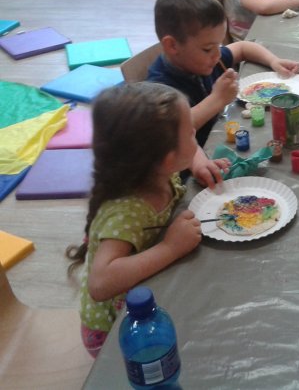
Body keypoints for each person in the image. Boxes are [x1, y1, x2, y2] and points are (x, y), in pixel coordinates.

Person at [66, 82, 208, 357]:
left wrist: (198, 162)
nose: (195, 134)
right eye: (191, 133)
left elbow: (186, 152)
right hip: (116, 335)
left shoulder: (154, 172)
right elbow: (100, 283)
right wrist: (170, 248)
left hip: (148, 294)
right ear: (168, 160)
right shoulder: (127, 211)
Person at [147, 0, 299, 177]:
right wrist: (217, 99)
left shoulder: (204, 59)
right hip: (188, 164)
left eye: (218, 46)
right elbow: (176, 132)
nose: (217, 55)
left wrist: (274, 61)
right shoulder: (159, 89)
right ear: (172, 46)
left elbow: (243, 47)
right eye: (207, 49)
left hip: (220, 138)